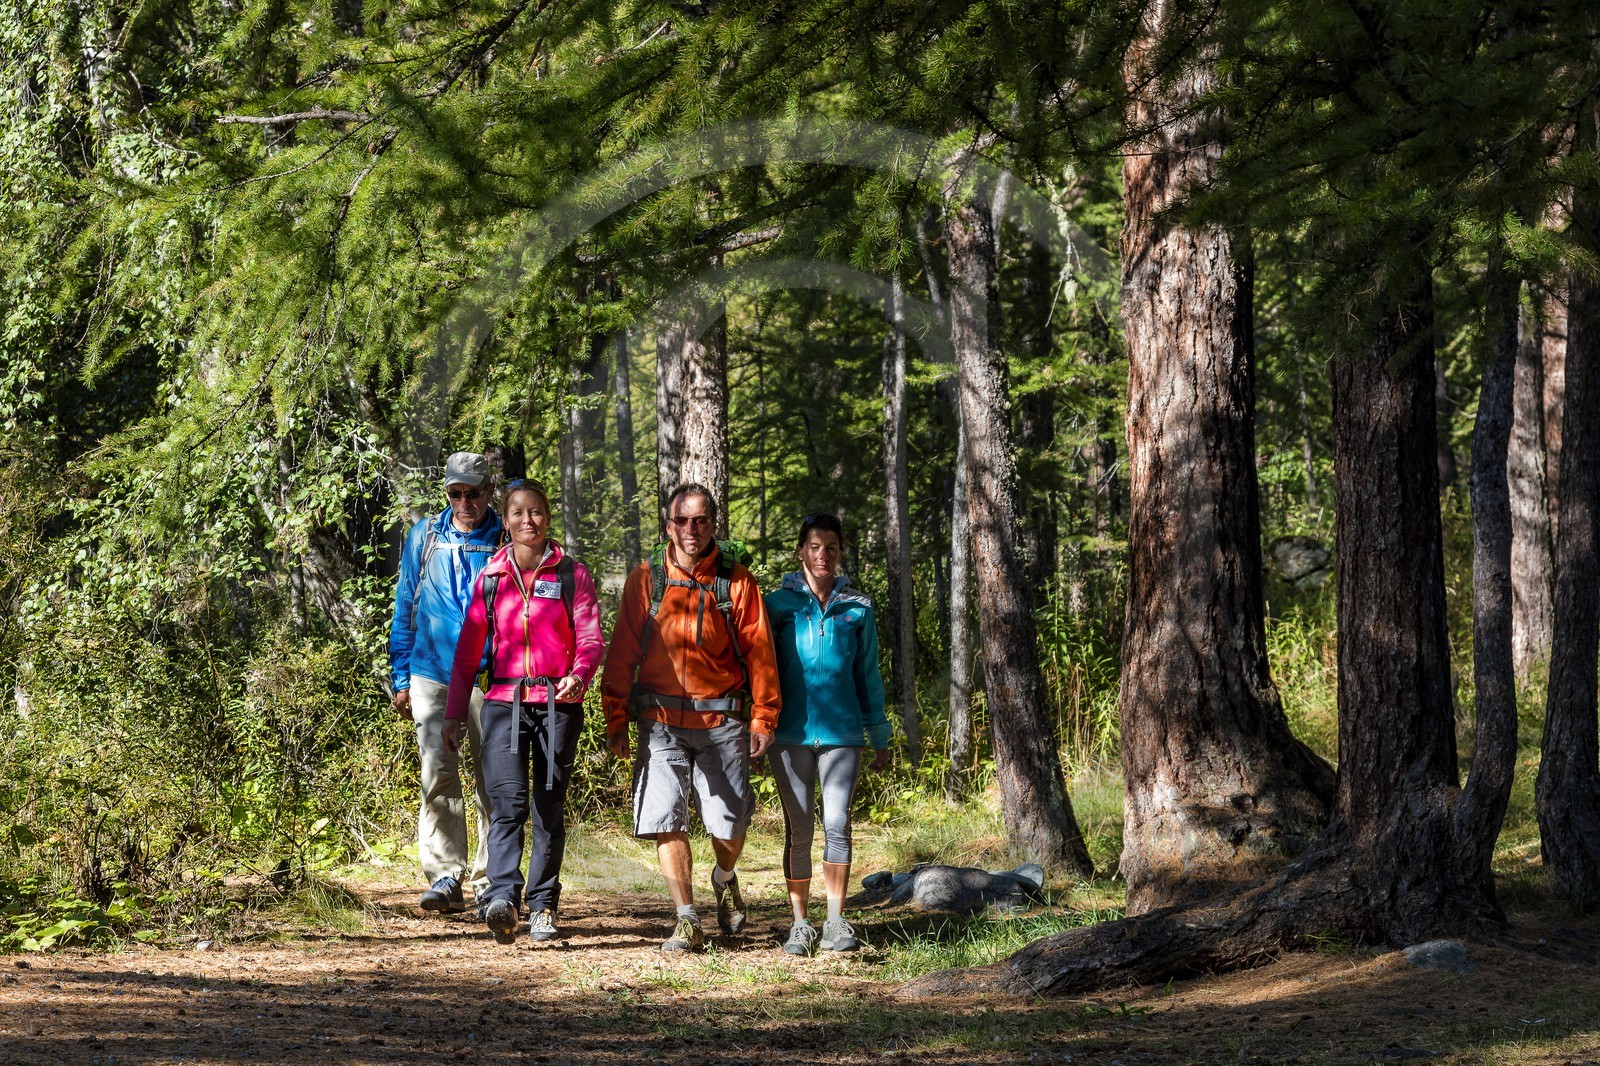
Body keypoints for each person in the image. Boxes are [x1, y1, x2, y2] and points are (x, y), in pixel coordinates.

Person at [599, 483, 781, 953]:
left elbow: (760, 654)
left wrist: (763, 717)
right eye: (681, 520)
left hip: (722, 724)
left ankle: (724, 876)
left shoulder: (736, 582)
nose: (690, 529)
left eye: (700, 520)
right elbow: (622, 653)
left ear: (713, 525)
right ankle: (686, 919)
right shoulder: (646, 580)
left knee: (729, 828)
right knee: (667, 818)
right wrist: (615, 717)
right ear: (668, 526)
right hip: (659, 721)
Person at [443, 479, 605, 944]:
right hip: (503, 705)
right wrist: (454, 714)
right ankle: (502, 899)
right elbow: (467, 654)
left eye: (535, 511)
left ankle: (543, 906)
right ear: (507, 520)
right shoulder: (491, 578)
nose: (527, 520)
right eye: (518, 512)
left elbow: (591, 638)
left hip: (559, 705)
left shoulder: (572, 574)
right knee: (507, 805)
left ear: (547, 518)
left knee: (548, 808)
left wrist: (580, 674)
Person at [763, 513, 891, 955]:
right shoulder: (776, 605)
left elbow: (868, 676)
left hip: (842, 734)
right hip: (789, 735)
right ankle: (800, 924)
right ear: (800, 551)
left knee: (837, 824)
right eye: (815, 547)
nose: (823, 555)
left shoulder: (858, 608)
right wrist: (757, 725)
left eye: (831, 548)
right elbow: (762, 670)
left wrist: (879, 734)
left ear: (840, 552)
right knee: (799, 828)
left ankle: (836, 921)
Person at [388, 452, 502, 914]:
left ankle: (492, 881)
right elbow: (405, 607)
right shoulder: (425, 536)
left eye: (473, 493)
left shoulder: (505, 536)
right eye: (456, 493)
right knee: (438, 775)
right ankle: (445, 875)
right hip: (431, 672)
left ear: (489, 491)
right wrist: (400, 677)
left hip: (490, 677)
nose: (465, 502)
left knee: (495, 781)